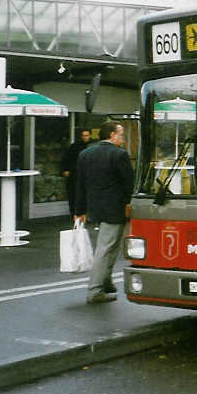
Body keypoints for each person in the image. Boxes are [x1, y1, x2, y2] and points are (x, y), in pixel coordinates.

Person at [74, 121, 134, 304]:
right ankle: (95, 290)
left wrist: (79, 210)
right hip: (115, 208)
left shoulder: (85, 154)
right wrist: (129, 203)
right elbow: (128, 184)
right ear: (112, 135)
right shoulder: (120, 155)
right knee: (106, 248)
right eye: (121, 134)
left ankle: (106, 281)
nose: (123, 138)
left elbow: (80, 184)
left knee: (110, 247)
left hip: (95, 207)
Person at [60, 128, 91, 217]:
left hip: (87, 174)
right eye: (83, 135)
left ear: (90, 136)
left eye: (87, 135)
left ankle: (85, 214)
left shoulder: (92, 146)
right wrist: (66, 170)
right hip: (75, 174)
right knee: (74, 194)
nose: (85, 137)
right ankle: (74, 213)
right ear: (81, 136)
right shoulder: (74, 146)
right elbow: (67, 158)